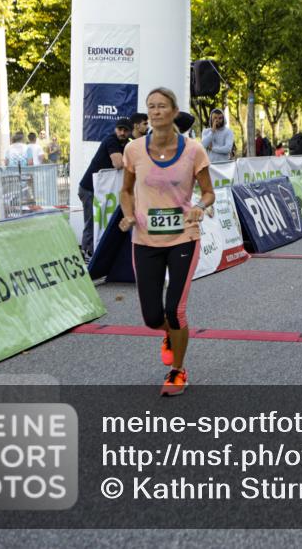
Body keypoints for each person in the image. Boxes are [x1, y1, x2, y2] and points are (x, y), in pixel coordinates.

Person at [118, 87, 214, 396]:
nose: (156, 111)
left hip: (184, 236)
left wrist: (199, 206)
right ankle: (170, 334)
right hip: (145, 240)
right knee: (151, 317)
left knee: (175, 310)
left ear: (174, 112)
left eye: (162, 106)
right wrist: (128, 215)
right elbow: (126, 190)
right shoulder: (133, 150)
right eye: (151, 107)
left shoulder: (194, 150)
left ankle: (178, 370)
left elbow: (208, 192)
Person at [77, 118, 130, 259]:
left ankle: (96, 253)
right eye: (120, 129)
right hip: (89, 188)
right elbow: (118, 163)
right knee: (92, 222)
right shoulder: (111, 140)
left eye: (125, 130)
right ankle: (87, 254)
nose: (122, 133)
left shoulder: (127, 144)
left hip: (101, 190)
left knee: (101, 222)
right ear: (115, 129)